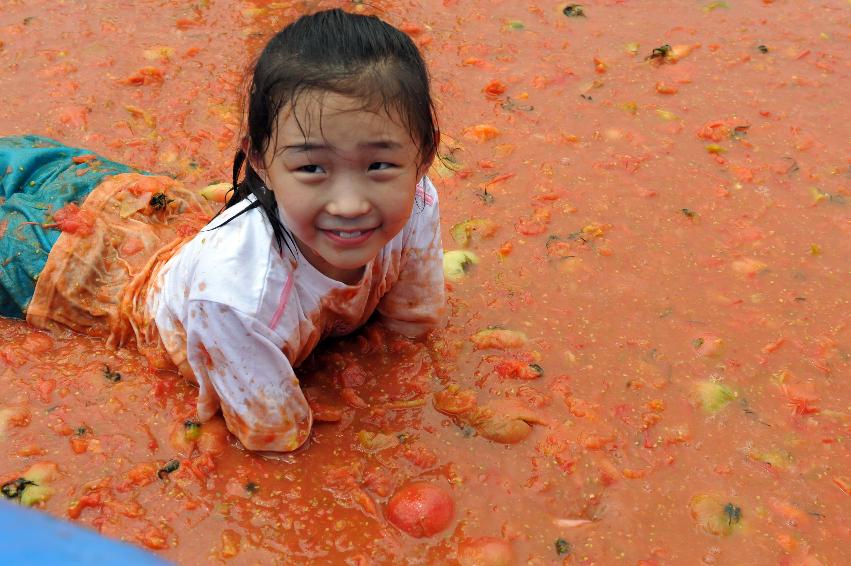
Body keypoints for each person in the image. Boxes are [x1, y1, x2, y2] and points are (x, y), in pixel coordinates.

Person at [0, 8, 446, 452]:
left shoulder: (419, 199)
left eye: (379, 165)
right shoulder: (236, 298)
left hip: (149, 211)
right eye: (311, 167)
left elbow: (410, 324)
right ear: (259, 162)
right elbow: (274, 435)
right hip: (62, 267)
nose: (350, 205)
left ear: (423, 156)